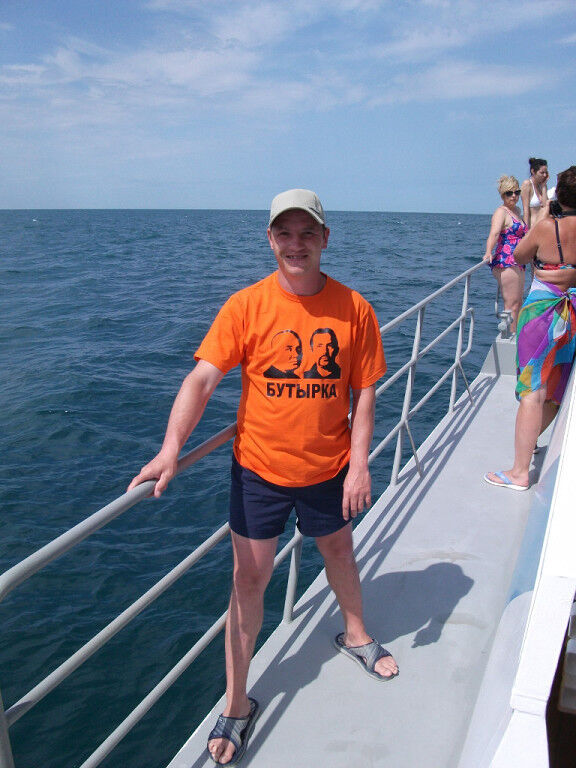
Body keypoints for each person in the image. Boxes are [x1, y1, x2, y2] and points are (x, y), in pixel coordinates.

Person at [128, 188, 399, 766]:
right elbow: (202, 379)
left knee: (340, 552)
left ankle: (355, 633)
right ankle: (236, 703)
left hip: (329, 468)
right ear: (271, 240)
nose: (296, 244)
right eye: (285, 233)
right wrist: (171, 449)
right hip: (259, 472)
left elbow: (365, 391)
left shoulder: (355, 308)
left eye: (307, 233)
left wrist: (359, 463)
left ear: (325, 239)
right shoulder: (245, 306)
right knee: (248, 581)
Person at [485, 166, 576, 491]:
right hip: (573, 311)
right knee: (558, 385)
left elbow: (520, 254)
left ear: (559, 195)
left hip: (542, 311)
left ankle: (520, 472)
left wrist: (543, 222)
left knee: (532, 389)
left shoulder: (547, 227)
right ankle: (532, 441)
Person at [483, 175, 528, 332]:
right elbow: (494, 233)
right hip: (507, 261)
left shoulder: (517, 211)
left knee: (519, 302)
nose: (514, 196)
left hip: (519, 262)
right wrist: (488, 252)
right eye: (509, 193)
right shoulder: (501, 212)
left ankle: (516, 335)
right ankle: (511, 337)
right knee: (511, 305)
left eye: (517, 192)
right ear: (502, 195)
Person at [521, 157, 549, 229]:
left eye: (546, 173)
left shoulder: (542, 186)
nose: (544, 175)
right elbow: (526, 211)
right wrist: (526, 231)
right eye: (542, 173)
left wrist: (544, 186)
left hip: (544, 227)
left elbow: (546, 207)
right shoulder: (527, 184)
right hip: (533, 227)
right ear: (533, 171)